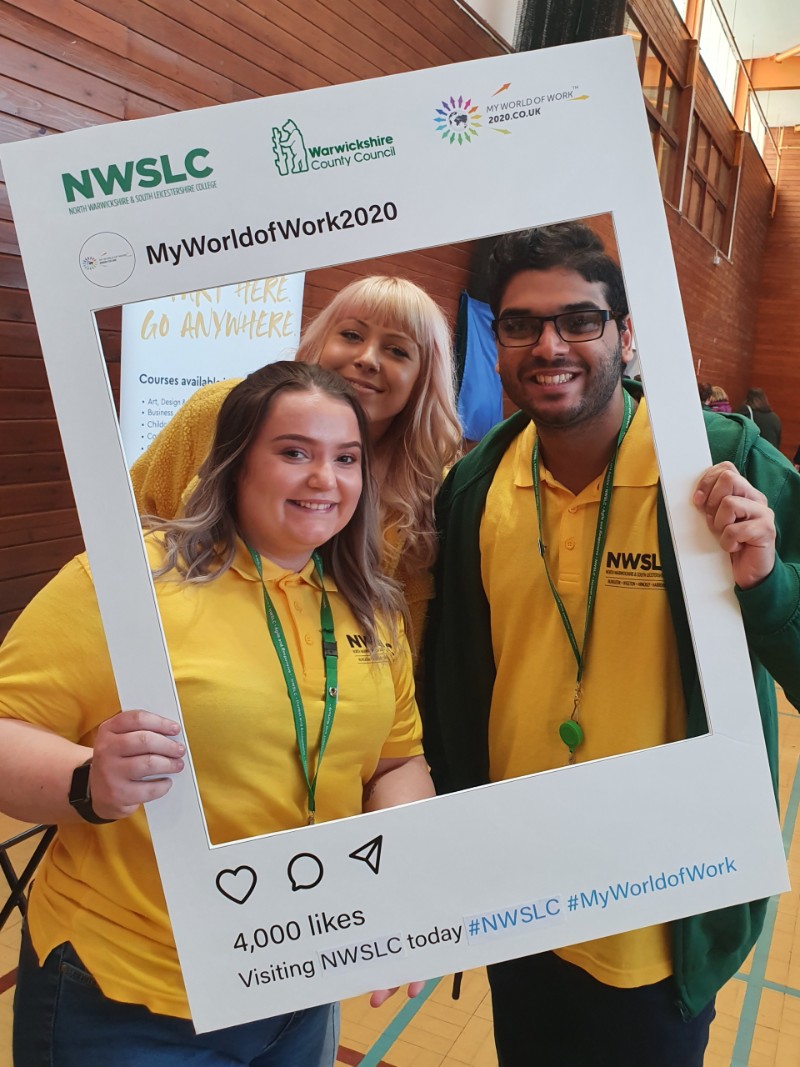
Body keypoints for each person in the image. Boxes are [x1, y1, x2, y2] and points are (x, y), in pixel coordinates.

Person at [424, 222, 800, 1066]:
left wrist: (768, 583)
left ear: (625, 336)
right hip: (516, 890)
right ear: (495, 343)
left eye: (579, 320)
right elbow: (447, 675)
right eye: (520, 324)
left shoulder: (724, 465)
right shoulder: (474, 484)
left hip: (656, 910)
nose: (548, 345)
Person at [0, 362, 434, 1067]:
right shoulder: (128, 581)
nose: (325, 477)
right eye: (294, 451)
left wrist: (405, 883)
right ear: (234, 463)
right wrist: (90, 780)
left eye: (346, 457)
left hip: (297, 984)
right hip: (132, 999)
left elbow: (396, 761)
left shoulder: (369, 604)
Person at [130, 276, 462, 661]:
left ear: (423, 376)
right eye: (352, 335)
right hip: (185, 662)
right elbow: (131, 525)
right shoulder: (219, 410)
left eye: (397, 351)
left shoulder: (432, 477)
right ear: (320, 340)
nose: (368, 359)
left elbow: (414, 628)